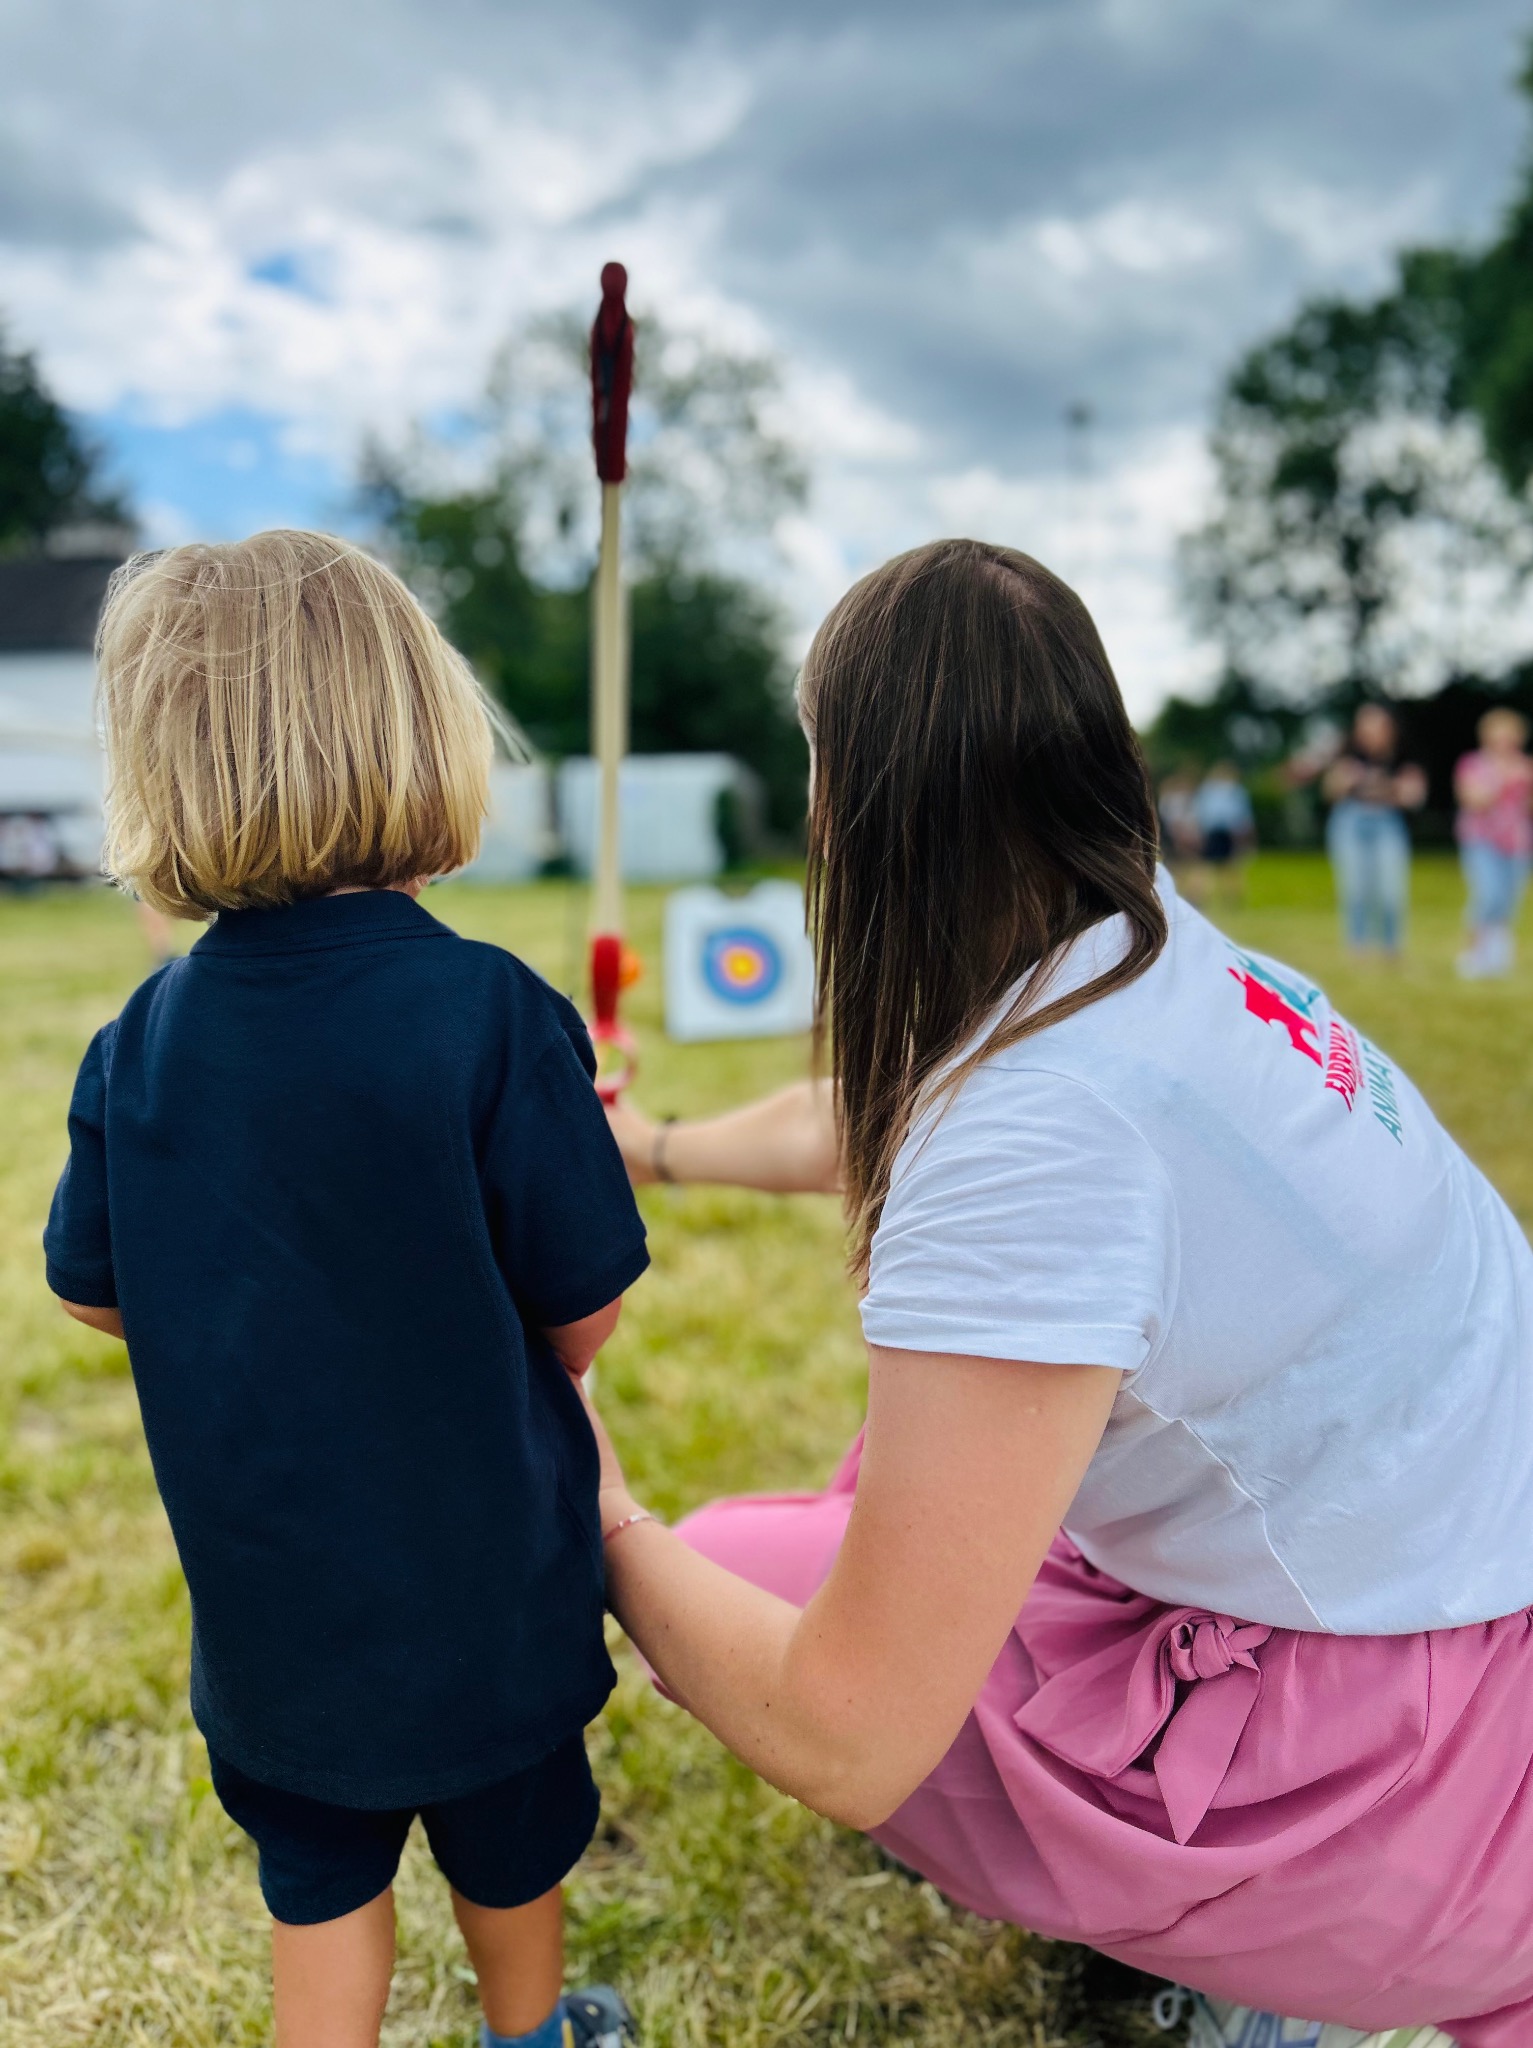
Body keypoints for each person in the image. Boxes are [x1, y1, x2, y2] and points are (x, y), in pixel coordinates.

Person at [597, 540, 1533, 2048]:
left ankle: (1268, 1948)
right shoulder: (1142, 953)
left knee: (722, 1583)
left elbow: (849, 1731)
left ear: (865, 802)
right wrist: (651, 1147)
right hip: (1461, 1604)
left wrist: (597, 1520)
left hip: (1425, 1770)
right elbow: (889, 1108)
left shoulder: (1043, 1129)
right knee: (828, 1530)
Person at [41, 533, 648, 2048]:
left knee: (315, 1881)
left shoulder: (138, 1042)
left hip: (275, 1625)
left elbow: (99, 1295)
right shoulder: (492, 1013)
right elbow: (581, 1315)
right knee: (511, 1853)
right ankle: (530, 2035)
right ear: (416, 737)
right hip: (489, 1597)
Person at [1320, 705, 1426, 956]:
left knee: (1391, 888)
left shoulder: (1404, 757)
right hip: (1351, 822)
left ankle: (1391, 947)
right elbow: (1331, 792)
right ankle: (1358, 945)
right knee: (1356, 888)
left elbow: (1414, 796)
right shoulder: (1347, 756)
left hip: (1388, 823)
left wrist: (1385, 787)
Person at [1453, 707, 1533, 979]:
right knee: (1487, 896)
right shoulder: (1473, 765)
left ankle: (1497, 955)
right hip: (1482, 840)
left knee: (1508, 900)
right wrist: (1505, 781)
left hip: (1517, 842)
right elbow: (1474, 801)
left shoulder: (1525, 765)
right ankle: (1474, 954)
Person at [1190, 761, 1255, 913]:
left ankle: (1200, 897)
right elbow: (1242, 816)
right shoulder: (1234, 791)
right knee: (1226, 867)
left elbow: (1200, 812)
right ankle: (1229, 899)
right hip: (1225, 832)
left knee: (1212, 866)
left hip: (1215, 832)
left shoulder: (1208, 790)